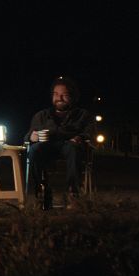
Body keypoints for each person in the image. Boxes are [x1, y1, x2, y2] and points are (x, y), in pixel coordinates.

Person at [24, 76, 96, 208]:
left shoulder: (83, 115)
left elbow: (89, 133)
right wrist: (31, 136)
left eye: (64, 95)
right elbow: (29, 134)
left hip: (70, 145)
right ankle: (41, 192)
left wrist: (79, 138)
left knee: (72, 148)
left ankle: (72, 194)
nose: (59, 98)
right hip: (47, 146)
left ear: (73, 97)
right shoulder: (42, 115)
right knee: (34, 149)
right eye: (56, 94)